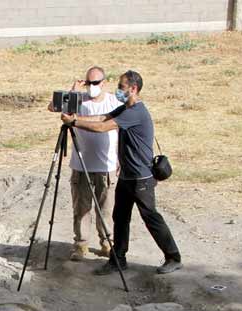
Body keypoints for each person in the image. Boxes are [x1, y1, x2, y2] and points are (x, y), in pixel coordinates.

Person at [61, 70, 183, 275]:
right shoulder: (124, 108)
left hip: (141, 177)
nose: (119, 90)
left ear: (133, 89)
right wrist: (76, 116)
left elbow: (103, 127)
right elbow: (101, 117)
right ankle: (118, 258)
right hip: (127, 176)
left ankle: (173, 256)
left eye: (122, 87)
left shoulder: (136, 112)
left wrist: (74, 123)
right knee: (120, 217)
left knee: (150, 217)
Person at [51, 66, 121, 260]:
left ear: (104, 82)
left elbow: (122, 128)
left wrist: (121, 158)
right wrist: (72, 92)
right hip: (81, 166)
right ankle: (81, 245)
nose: (92, 87)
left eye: (96, 83)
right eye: (88, 83)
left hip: (106, 165)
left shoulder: (114, 102)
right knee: (81, 209)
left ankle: (107, 243)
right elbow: (54, 106)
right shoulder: (79, 100)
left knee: (105, 209)